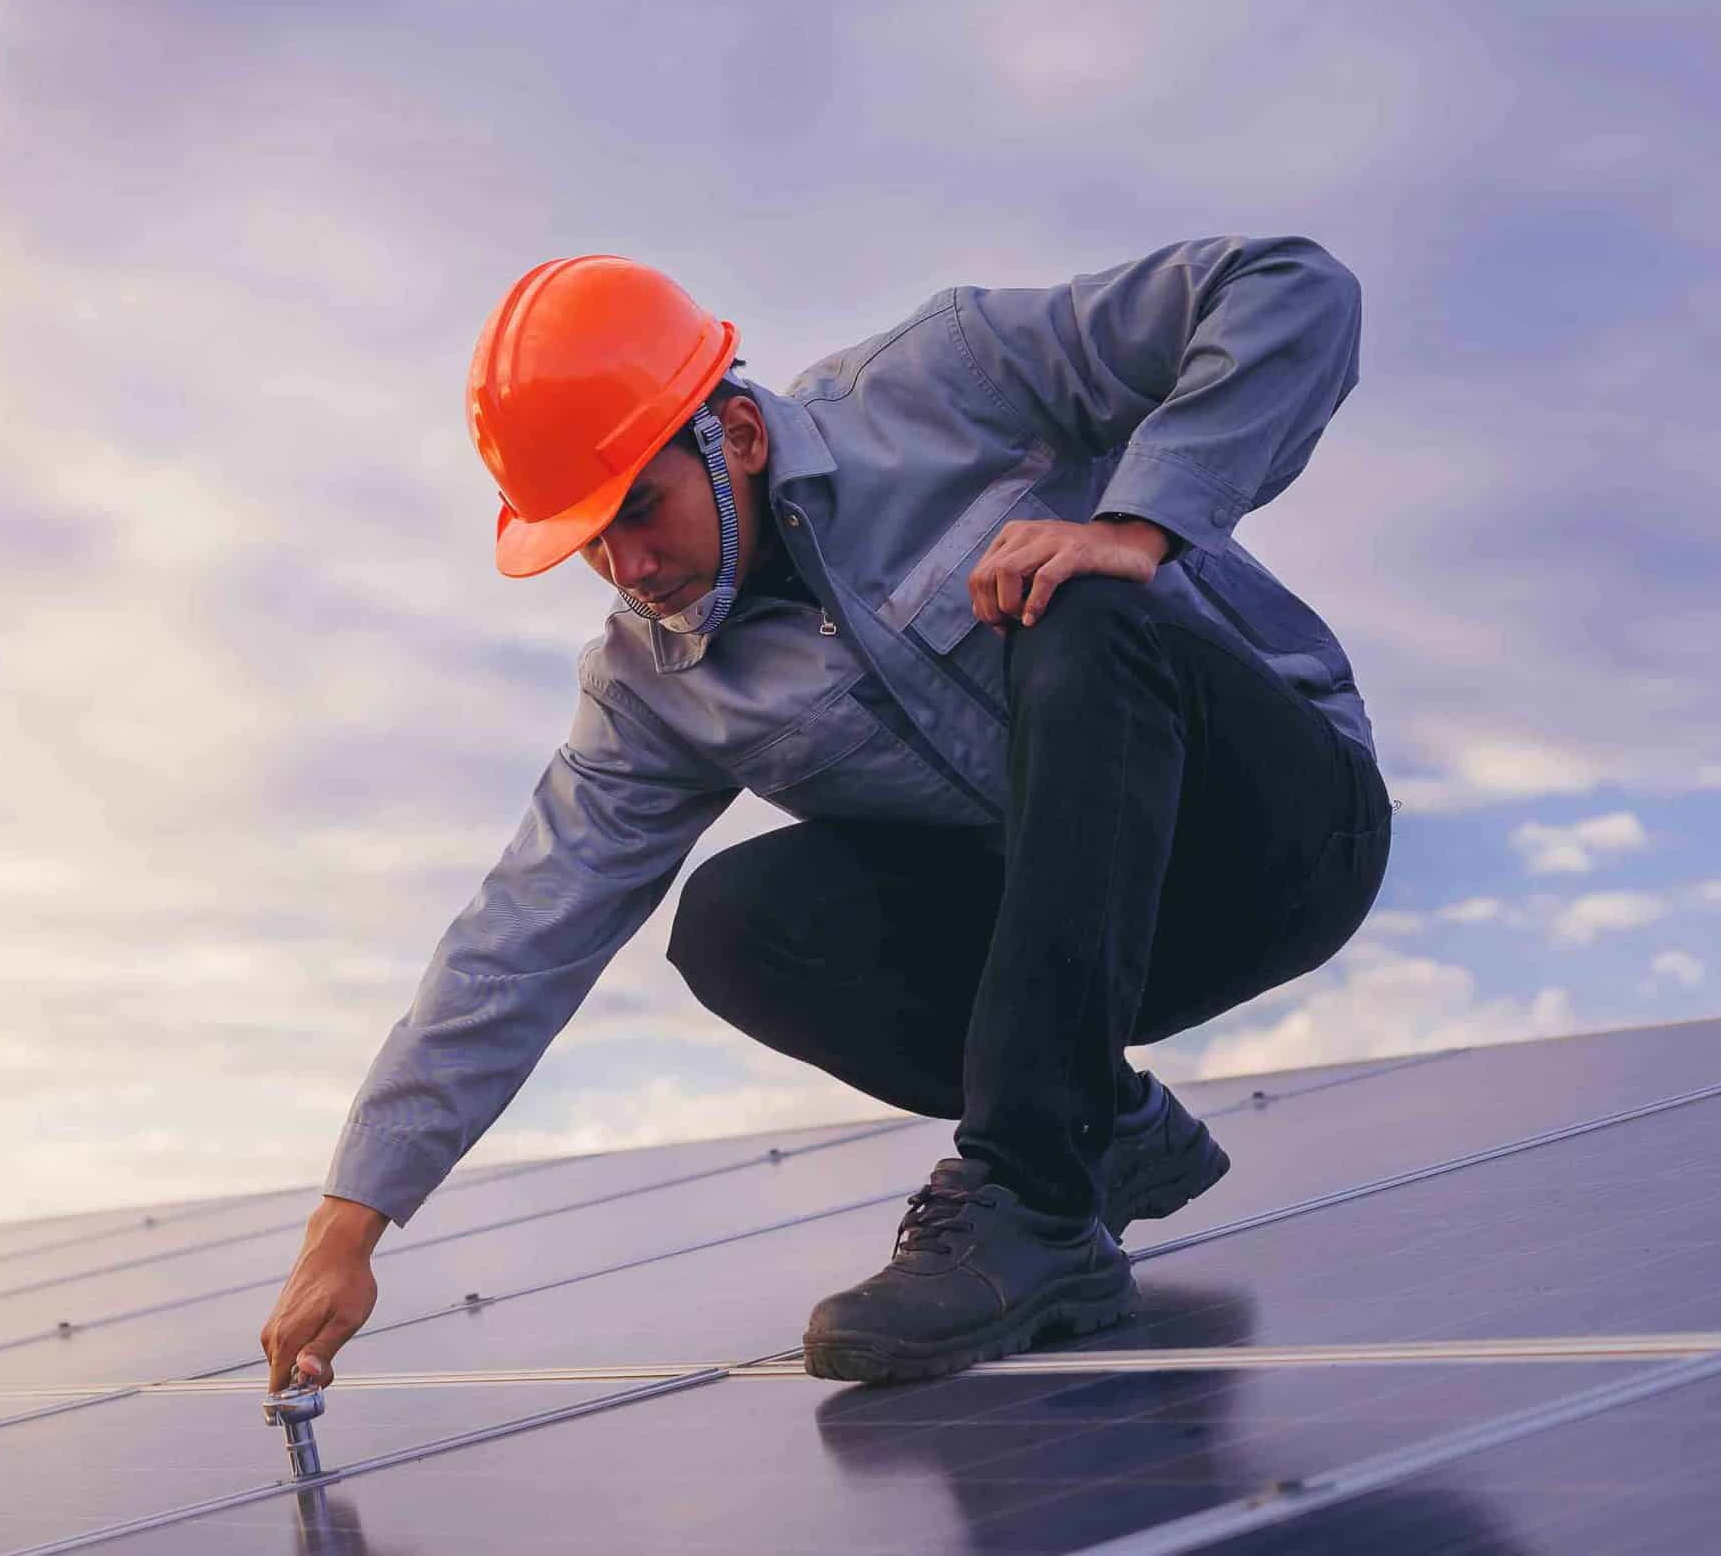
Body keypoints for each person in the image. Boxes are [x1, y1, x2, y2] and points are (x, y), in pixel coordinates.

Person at [258, 237, 1394, 1391]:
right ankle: (1098, 1121)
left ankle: (1032, 1206)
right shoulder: (652, 688)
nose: (628, 562)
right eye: (587, 540)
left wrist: (1138, 524)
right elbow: (519, 934)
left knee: (1080, 604)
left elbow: (1291, 289)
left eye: (640, 508)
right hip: (1079, 943)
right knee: (736, 920)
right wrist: (348, 1225)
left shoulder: (950, 379)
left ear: (736, 436)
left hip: (1279, 841)